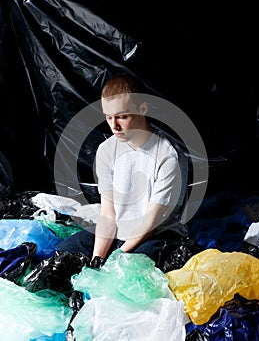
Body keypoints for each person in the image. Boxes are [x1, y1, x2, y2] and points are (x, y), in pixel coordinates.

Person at [56, 74, 188, 266]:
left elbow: (151, 221)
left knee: (129, 270)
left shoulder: (168, 156)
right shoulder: (107, 150)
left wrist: (116, 257)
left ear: (142, 109)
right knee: (65, 255)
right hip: (121, 230)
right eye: (108, 117)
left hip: (157, 234)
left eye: (122, 117)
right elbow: (108, 214)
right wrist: (97, 259)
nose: (114, 126)